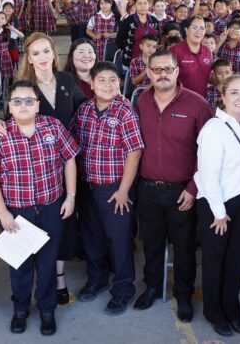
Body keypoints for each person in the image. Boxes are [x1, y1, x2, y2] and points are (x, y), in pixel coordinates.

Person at [0, 80, 79, 337]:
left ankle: (46, 309)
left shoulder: (52, 127)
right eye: (17, 101)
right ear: (9, 105)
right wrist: (4, 213)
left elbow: (70, 158)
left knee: (47, 262)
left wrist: (71, 197)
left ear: (38, 104)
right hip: (18, 212)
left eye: (29, 100)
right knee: (19, 264)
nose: (23, 105)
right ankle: (20, 309)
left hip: (52, 206)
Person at [133, 49, 211, 320]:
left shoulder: (197, 104)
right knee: (151, 244)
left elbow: (209, 153)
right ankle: (152, 286)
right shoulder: (141, 100)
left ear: (177, 71)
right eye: (157, 69)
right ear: (149, 72)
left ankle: (183, 294)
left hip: (183, 191)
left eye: (168, 69)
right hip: (148, 189)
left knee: (185, 246)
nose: (162, 74)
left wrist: (193, 187)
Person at [8, 33, 86, 301]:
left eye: (46, 51)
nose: (42, 57)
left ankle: (58, 278)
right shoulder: (24, 86)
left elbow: (83, 106)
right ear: (29, 58)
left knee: (61, 226)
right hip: (38, 169)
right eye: (36, 53)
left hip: (67, 162)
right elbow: (11, 117)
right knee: (33, 226)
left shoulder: (65, 80)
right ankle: (30, 289)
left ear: (54, 53)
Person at [70, 62, 145, 315]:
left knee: (119, 239)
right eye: (101, 80)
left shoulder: (125, 112)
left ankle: (123, 288)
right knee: (92, 236)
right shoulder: (84, 110)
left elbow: (134, 153)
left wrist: (124, 190)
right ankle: (97, 279)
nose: (107, 85)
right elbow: (72, 144)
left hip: (114, 188)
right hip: (87, 185)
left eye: (113, 80)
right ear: (91, 84)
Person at [195, 74, 240, 337]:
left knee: (235, 259)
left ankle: (231, 307)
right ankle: (213, 310)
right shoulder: (213, 128)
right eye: (234, 93)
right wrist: (219, 213)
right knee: (215, 260)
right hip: (216, 204)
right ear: (222, 96)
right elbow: (207, 175)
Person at [169, 16, 213, 96]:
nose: (198, 31)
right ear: (186, 30)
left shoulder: (207, 50)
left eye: (202, 28)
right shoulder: (174, 50)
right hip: (181, 100)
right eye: (194, 27)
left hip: (203, 100)